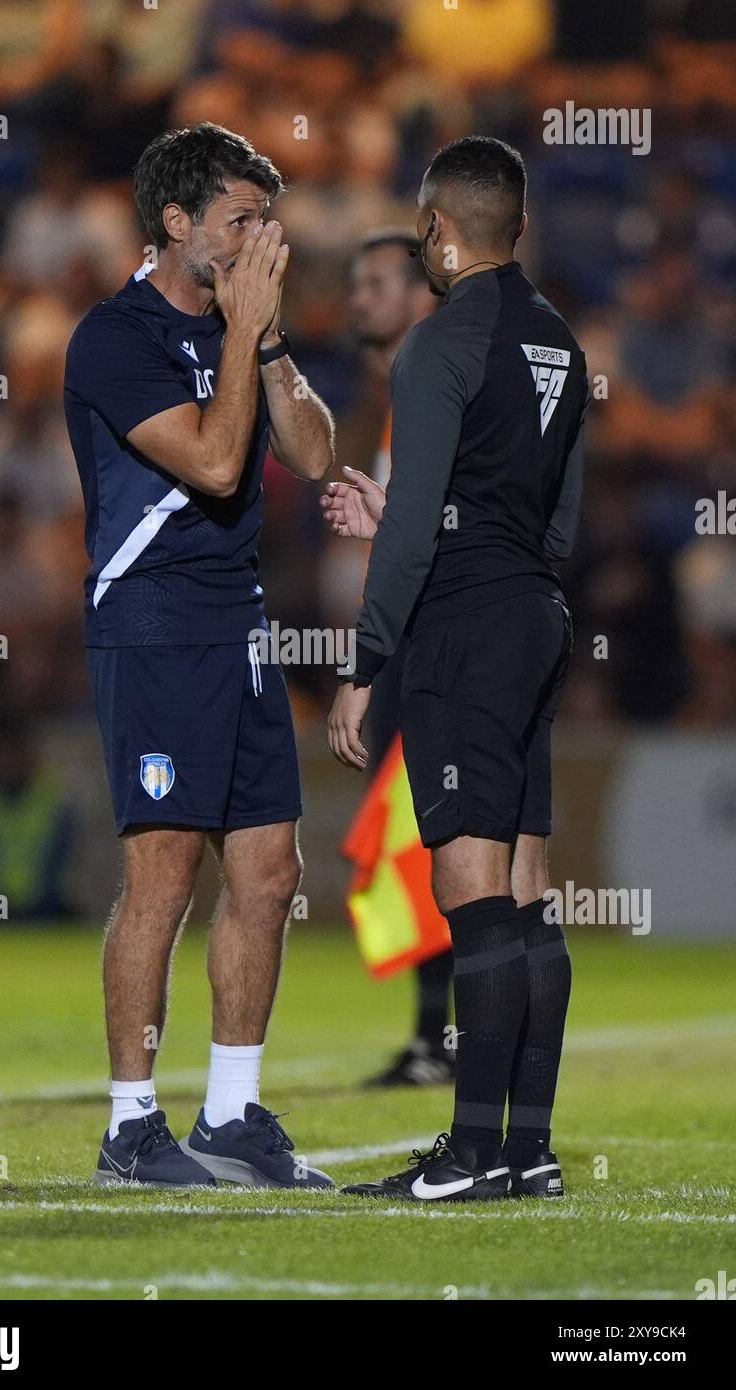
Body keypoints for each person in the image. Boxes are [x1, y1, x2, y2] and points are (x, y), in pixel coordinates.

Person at [64, 122, 336, 1189]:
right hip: (153, 621)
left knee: (269, 873)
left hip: (239, 620)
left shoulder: (242, 323)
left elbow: (313, 453)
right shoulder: (113, 338)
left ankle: (231, 1113)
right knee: (164, 877)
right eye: (238, 220)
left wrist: (263, 339)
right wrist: (244, 330)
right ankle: (132, 1125)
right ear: (174, 224)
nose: (259, 239)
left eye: (266, 218)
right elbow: (221, 466)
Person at [325, 136, 588, 1203]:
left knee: (467, 888)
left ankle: (470, 1154)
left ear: (435, 230)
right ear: (516, 227)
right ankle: (527, 1149)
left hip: (459, 630)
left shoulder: (436, 346)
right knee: (526, 888)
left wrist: (364, 660)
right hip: (534, 613)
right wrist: (475, 548)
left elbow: (411, 542)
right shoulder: (562, 342)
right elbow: (556, 518)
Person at [334, 229, 456, 1087]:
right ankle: (435, 1037)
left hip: (437, 646)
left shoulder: (434, 387)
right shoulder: (401, 397)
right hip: (420, 644)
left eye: (374, 283)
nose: (356, 299)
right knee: (426, 844)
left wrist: (367, 662)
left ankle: (451, 1041)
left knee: (446, 842)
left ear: (423, 296)